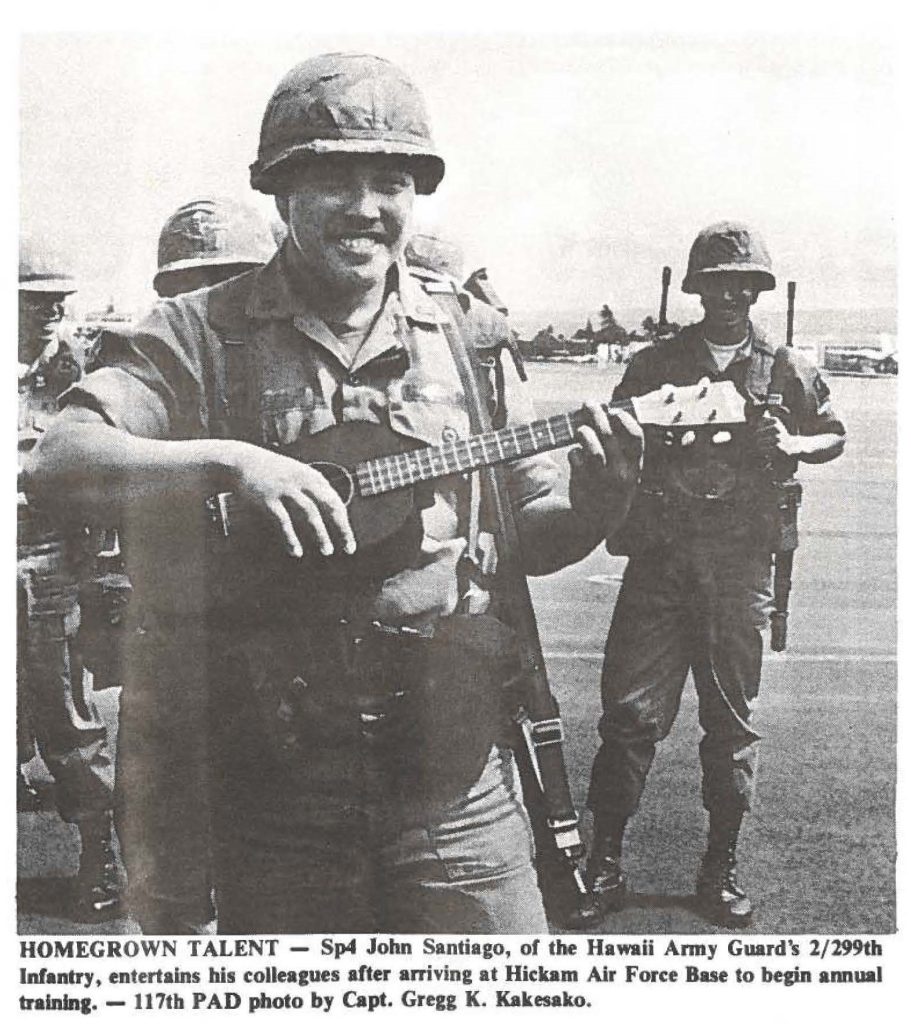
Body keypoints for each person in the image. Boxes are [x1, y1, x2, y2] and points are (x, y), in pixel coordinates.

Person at [28, 51, 642, 934]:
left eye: (389, 180)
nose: (364, 207)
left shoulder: (469, 340)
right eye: (333, 181)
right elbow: (62, 457)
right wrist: (228, 463)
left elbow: (532, 536)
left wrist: (601, 496)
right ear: (280, 192)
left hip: (450, 779)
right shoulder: (199, 332)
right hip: (275, 785)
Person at [584, 221, 846, 927]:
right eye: (717, 283)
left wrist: (792, 440)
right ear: (696, 289)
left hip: (738, 568)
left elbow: (832, 433)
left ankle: (718, 867)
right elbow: (608, 438)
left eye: (744, 283)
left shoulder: (783, 364)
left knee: (730, 726)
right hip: (661, 564)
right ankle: (602, 861)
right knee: (630, 718)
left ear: (758, 291)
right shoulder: (654, 364)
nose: (731, 294)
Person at [17, 237, 120, 918]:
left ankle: (101, 859)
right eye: (34, 300)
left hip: (46, 566)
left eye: (60, 298)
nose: (52, 309)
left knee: (69, 722)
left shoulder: (74, 375)